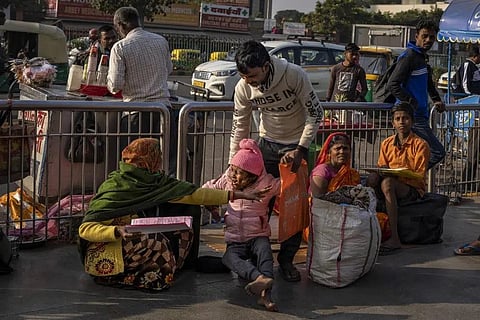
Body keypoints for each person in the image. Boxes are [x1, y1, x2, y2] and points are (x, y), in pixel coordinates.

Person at [78, 138, 270, 292]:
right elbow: (86, 229)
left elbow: (195, 194)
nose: (160, 161)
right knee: (156, 241)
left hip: (131, 236)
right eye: (157, 158)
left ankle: (172, 269)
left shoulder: (155, 181)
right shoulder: (116, 186)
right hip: (110, 247)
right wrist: (116, 231)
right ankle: (136, 277)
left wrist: (239, 194)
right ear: (146, 162)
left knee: (184, 230)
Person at [230, 40, 323, 282]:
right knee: (257, 205)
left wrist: (301, 149)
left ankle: (287, 260)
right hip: (266, 144)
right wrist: (234, 164)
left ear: (266, 65)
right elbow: (240, 125)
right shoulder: (243, 87)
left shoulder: (293, 75)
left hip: (296, 145)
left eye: (252, 76)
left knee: (293, 207)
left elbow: (316, 113)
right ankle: (255, 260)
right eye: (244, 77)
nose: (249, 82)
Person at [202, 139, 280, 312]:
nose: (234, 176)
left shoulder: (266, 183)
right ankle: (259, 278)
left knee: (265, 253)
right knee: (228, 258)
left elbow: (287, 185)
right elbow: (207, 189)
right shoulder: (227, 181)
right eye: (233, 170)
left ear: (253, 175)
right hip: (235, 240)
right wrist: (211, 204)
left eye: (240, 174)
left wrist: (290, 166)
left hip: (257, 235)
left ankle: (265, 296)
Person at [107, 7, 176, 175]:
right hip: (164, 112)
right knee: (163, 163)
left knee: (134, 164)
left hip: (135, 114)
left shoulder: (120, 47)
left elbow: (115, 85)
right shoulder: (161, 41)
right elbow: (169, 69)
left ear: (120, 25)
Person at [366, 102, 430, 255]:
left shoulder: (420, 144)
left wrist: (397, 174)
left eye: (406, 118)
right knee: (372, 179)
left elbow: (419, 175)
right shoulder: (386, 143)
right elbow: (382, 166)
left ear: (412, 121)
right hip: (391, 181)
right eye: (398, 119)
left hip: (412, 188)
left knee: (388, 184)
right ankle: (369, 230)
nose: (402, 122)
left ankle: (395, 238)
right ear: (393, 122)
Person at [387, 19, 445, 170]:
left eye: (432, 37)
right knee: (437, 151)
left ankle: (407, 181)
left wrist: (436, 99)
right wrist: (411, 103)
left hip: (420, 115)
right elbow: (393, 84)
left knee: (415, 152)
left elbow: (428, 82)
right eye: (424, 36)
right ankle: (409, 178)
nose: (428, 40)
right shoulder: (409, 56)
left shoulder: (422, 57)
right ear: (416, 35)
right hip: (412, 115)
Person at [310, 132, 360, 198]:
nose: (342, 152)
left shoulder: (352, 174)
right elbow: (317, 201)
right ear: (329, 152)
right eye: (337, 149)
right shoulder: (322, 172)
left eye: (345, 148)